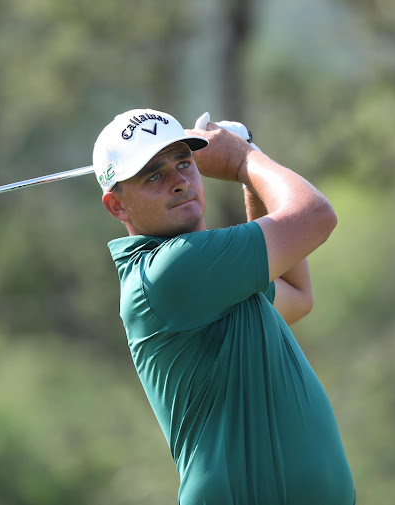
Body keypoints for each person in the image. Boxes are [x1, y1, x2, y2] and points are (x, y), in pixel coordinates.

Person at [93, 108, 355, 505]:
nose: (179, 182)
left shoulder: (214, 275)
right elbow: (316, 216)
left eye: (184, 163)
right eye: (153, 175)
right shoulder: (171, 271)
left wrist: (249, 176)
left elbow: (295, 295)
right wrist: (243, 159)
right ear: (117, 207)